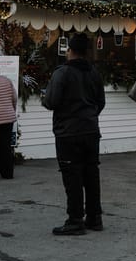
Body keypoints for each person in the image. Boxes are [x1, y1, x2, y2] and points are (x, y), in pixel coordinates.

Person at [42, 33, 106, 235]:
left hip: (68, 132)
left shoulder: (62, 73)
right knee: (91, 174)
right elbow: (101, 101)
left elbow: (51, 101)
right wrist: (90, 115)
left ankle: (75, 219)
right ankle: (94, 217)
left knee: (72, 176)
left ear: (70, 50)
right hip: (90, 129)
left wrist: (45, 99)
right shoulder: (94, 73)